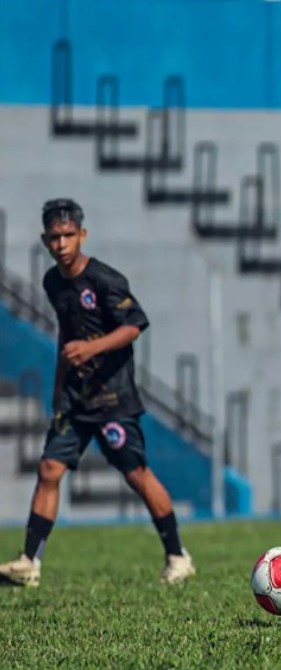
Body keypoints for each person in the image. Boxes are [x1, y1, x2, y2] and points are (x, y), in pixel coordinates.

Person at [0, 198, 195, 587]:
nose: (61, 244)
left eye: (68, 235)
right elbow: (67, 337)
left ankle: (178, 555)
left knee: (137, 475)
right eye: (54, 237)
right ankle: (30, 562)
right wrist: (59, 387)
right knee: (49, 470)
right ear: (44, 239)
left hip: (112, 399)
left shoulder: (105, 280)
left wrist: (90, 348)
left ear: (82, 235)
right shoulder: (53, 281)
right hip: (74, 399)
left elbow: (134, 325)